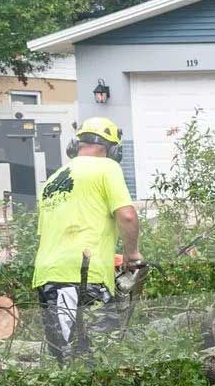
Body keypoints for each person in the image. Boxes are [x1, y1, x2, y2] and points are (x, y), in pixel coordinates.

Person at [32, 116, 140, 360]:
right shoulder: (107, 167)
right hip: (84, 278)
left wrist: (111, 256)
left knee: (64, 356)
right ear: (113, 149)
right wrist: (132, 254)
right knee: (100, 354)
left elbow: (59, 236)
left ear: (76, 145)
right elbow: (127, 216)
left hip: (48, 276)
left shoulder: (52, 180)